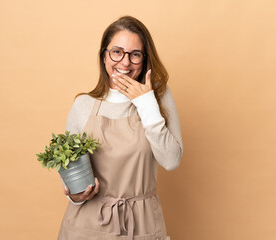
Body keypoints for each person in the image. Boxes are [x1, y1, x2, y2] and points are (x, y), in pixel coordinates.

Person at [58, 15, 183, 240]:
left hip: (142, 225)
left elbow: (171, 161)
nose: (125, 63)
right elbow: (70, 168)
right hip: (86, 226)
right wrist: (73, 196)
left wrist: (146, 104)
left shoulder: (158, 98)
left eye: (135, 55)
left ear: (144, 60)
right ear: (104, 56)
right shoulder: (83, 105)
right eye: (117, 52)